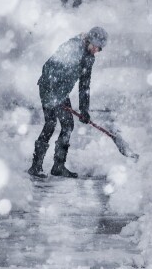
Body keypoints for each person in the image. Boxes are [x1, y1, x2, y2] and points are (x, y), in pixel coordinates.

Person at [28, 26, 108, 178]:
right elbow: (48, 67)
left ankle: (58, 166)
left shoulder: (89, 58)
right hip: (48, 88)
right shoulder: (72, 47)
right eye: (97, 47)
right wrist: (53, 94)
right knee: (50, 123)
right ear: (90, 40)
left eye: (100, 49)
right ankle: (35, 166)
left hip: (61, 93)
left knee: (68, 125)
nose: (97, 51)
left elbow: (84, 85)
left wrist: (85, 110)